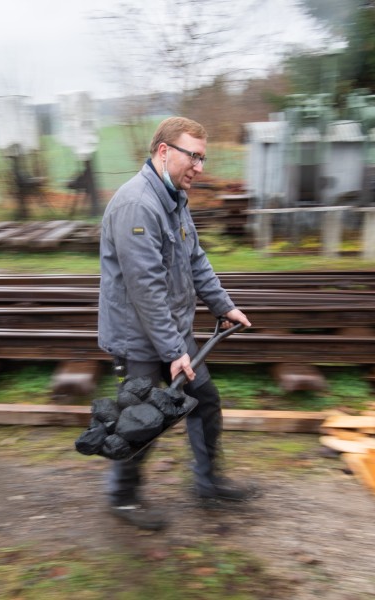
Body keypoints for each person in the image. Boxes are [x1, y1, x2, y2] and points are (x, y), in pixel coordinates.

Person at [98, 116, 255, 531]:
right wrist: (173, 353)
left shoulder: (174, 198)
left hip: (173, 337)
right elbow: (145, 289)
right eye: (194, 157)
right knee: (144, 422)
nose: (199, 168)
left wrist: (224, 306)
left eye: (203, 159)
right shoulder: (137, 204)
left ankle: (209, 484)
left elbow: (195, 259)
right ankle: (124, 497)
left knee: (205, 403)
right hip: (141, 342)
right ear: (164, 151)